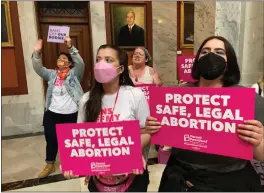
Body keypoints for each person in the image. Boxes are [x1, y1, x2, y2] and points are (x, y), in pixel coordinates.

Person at [145, 36, 264, 191]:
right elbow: (160, 141)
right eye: (205, 51)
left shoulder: (249, 99)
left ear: (230, 62)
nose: (211, 56)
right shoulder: (176, 95)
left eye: (219, 52)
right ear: (197, 59)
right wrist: (154, 128)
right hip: (180, 177)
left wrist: (258, 141)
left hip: (230, 180)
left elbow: (261, 156)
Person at [63, 45, 151, 192]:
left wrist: (133, 151)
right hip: (99, 179)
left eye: (109, 60)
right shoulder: (86, 99)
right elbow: (80, 139)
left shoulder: (135, 95)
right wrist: (73, 163)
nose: (101, 64)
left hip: (132, 178)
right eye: (98, 60)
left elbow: (146, 131)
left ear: (121, 69)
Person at [32, 36, 85, 178]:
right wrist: (37, 53)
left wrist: (70, 47)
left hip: (70, 114)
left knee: (71, 141)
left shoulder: (74, 74)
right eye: (59, 58)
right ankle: (50, 163)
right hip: (52, 113)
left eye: (63, 59)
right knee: (51, 139)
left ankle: (72, 164)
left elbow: (81, 64)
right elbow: (38, 68)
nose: (60, 60)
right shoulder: (51, 74)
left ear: (69, 63)